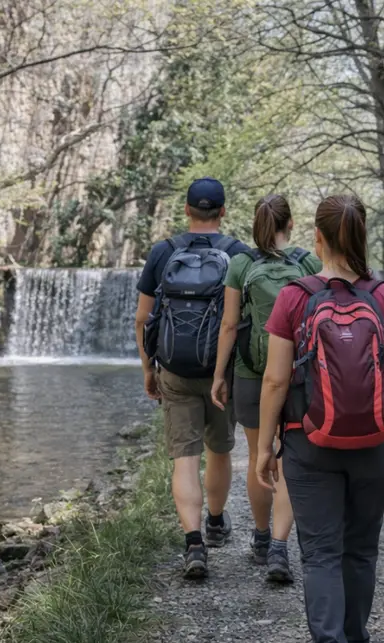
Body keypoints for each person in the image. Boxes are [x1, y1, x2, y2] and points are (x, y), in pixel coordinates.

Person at [255, 194, 384, 643]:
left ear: (318, 238)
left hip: (310, 442)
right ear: (363, 235)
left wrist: (265, 446)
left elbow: (276, 380)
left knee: (320, 551)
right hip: (377, 443)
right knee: (361, 549)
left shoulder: (295, 297)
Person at [134, 178, 250, 579]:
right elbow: (240, 322)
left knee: (185, 458)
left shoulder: (164, 252)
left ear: (186, 210)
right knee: (219, 451)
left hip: (175, 370)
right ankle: (217, 522)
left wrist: (150, 368)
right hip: (221, 372)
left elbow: (142, 319)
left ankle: (194, 543)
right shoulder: (238, 255)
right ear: (222, 212)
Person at [211, 194, 320, 583]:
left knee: (260, 455)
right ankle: (279, 545)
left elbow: (228, 325)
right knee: (289, 461)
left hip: (252, 373)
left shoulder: (241, 265)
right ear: (290, 224)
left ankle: (259, 538)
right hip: (298, 376)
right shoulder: (308, 263)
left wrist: (220, 374)